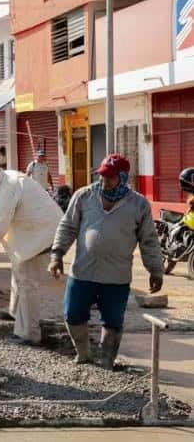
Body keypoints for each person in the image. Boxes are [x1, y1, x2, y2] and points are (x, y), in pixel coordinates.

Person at [50, 154, 163, 369]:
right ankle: (83, 355)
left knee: (112, 321)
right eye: (102, 176)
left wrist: (155, 270)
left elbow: (149, 240)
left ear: (122, 177)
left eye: (110, 177)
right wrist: (57, 255)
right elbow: (67, 227)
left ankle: (107, 361)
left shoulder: (138, 204)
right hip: (82, 272)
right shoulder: (84, 196)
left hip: (116, 276)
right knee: (72, 314)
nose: (104, 181)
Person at [0, 162, 63, 345]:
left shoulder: (8, 188)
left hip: (42, 236)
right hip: (35, 233)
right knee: (18, 272)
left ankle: (29, 333)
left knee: (27, 283)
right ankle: (16, 313)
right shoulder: (6, 180)